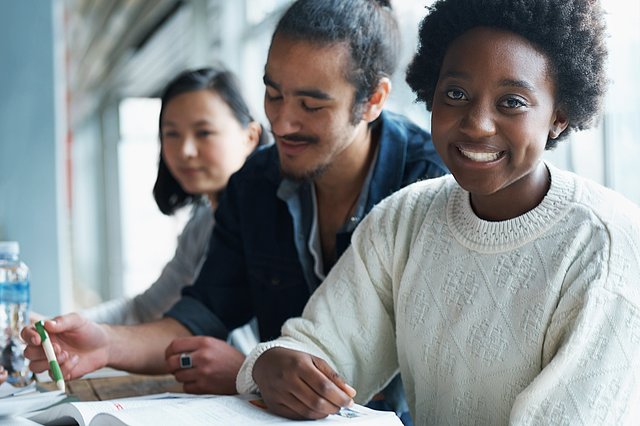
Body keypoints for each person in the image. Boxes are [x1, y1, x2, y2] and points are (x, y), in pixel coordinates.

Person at [22, 0, 446, 420]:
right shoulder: (254, 184)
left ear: (373, 99)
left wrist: (248, 371)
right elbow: (199, 316)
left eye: (311, 106)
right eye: (273, 93)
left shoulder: (430, 187)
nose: (281, 123)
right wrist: (105, 344)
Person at [237, 0, 640, 423]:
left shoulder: (607, 245)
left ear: (558, 116)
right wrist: (276, 363)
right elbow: (322, 346)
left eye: (513, 102)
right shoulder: (403, 219)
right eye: (456, 94)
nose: (477, 123)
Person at [81, 66, 266, 330]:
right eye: (171, 134)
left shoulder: (265, 221)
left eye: (204, 133)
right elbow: (145, 309)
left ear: (250, 137)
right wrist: (64, 328)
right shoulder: (201, 223)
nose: (185, 150)